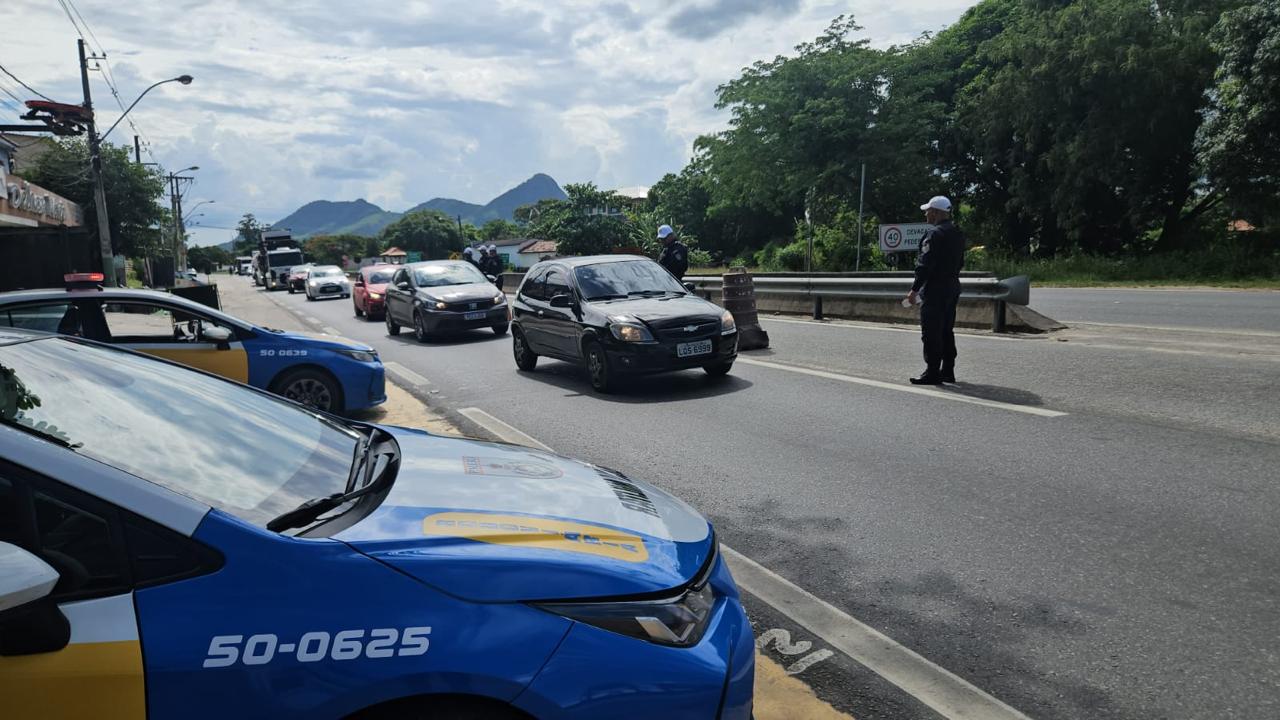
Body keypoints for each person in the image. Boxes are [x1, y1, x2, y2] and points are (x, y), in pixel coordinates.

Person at [905, 196, 966, 385]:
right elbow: (960, 262)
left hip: (935, 289)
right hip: (953, 286)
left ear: (937, 212)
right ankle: (948, 370)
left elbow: (925, 265)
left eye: (928, 210)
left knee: (931, 331)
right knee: (947, 330)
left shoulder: (934, 235)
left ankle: (932, 372)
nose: (925, 214)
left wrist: (914, 290)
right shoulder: (957, 233)